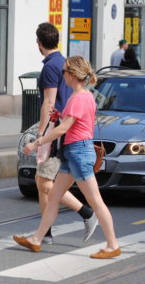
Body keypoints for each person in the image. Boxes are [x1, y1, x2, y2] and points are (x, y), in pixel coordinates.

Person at [13, 55, 120, 259]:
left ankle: (112, 245)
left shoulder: (78, 98)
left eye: (64, 72)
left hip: (78, 153)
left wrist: (36, 143)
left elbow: (63, 129)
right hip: (73, 153)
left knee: (96, 201)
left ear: (72, 75)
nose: (62, 75)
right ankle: (36, 239)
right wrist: (59, 114)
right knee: (53, 198)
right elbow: (71, 123)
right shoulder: (86, 96)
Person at [33, 23, 98, 245]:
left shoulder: (51, 67)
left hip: (58, 132)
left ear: (39, 43)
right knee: (43, 181)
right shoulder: (62, 62)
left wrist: (40, 136)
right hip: (67, 133)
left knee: (44, 181)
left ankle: (86, 213)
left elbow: (49, 103)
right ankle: (45, 234)